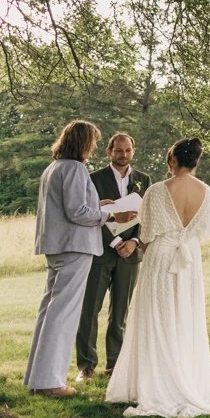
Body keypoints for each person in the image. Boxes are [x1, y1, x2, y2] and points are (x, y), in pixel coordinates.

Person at [105, 137, 210, 418]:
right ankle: (184, 375)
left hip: (162, 257)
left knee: (157, 317)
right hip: (188, 261)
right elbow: (204, 231)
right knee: (184, 317)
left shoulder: (158, 190)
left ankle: (157, 383)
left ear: (172, 160)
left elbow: (146, 234)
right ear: (195, 162)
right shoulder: (205, 191)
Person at [24, 121, 138, 398]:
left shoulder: (54, 167)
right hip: (74, 246)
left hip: (57, 246)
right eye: (94, 142)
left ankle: (37, 376)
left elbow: (72, 207)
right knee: (62, 314)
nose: (95, 146)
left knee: (49, 311)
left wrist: (101, 206)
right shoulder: (74, 169)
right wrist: (110, 215)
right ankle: (50, 382)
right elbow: (76, 211)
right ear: (82, 142)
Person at [75, 131, 152, 381]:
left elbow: (148, 216)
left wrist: (133, 242)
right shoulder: (93, 178)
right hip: (101, 252)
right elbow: (90, 215)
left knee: (120, 312)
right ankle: (86, 366)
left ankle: (115, 364)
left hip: (130, 255)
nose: (123, 155)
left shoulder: (144, 179)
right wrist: (117, 241)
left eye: (128, 150)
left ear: (133, 150)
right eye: (118, 150)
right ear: (109, 152)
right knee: (90, 310)